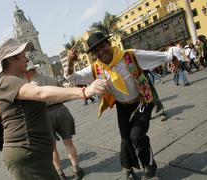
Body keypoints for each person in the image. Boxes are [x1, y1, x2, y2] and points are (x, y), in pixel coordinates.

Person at [65, 32, 179, 179]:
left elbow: (157, 56)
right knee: (125, 140)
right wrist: (69, 63)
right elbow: (73, 77)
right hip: (123, 106)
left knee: (136, 136)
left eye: (103, 46)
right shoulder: (96, 69)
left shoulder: (129, 56)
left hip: (142, 100)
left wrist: (172, 57)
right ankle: (129, 169)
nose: (101, 52)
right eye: (96, 51)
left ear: (109, 44)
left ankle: (149, 164)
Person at [0, 37, 106, 180]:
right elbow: (40, 93)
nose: (27, 60)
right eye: (23, 55)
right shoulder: (8, 81)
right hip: (27, 153)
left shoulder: (16, 81)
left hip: (34, 153)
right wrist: (84, 91)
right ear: (11, 60)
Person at [24, 61, 84, 180]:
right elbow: (62, 92)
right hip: (61, 110)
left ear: (27, 72)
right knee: (68, 142)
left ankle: (60, 174)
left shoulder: (30, 86)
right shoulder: (51, 79)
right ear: (34, 69)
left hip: (44, 116)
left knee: (52, 148)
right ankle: (76, 170)